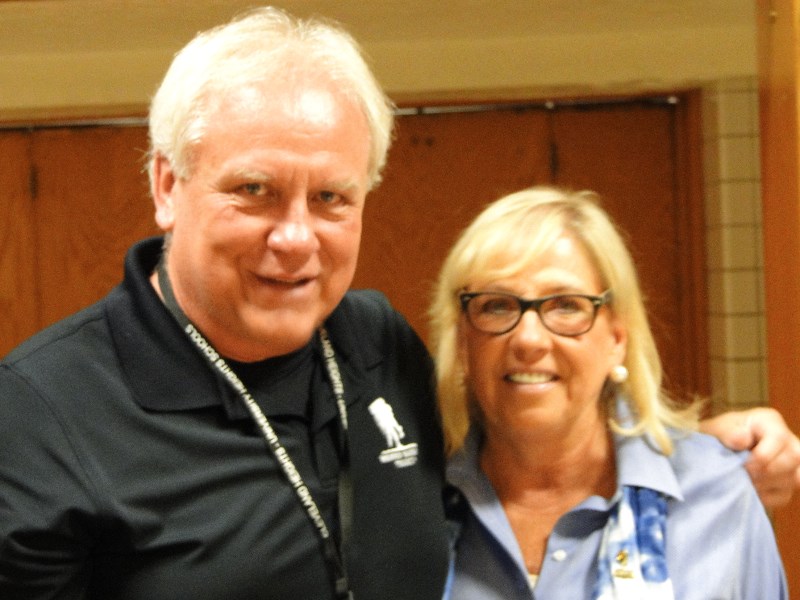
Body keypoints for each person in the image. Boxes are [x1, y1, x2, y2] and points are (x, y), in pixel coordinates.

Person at [0, 7, 796, 600]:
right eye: (255, 190)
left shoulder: (372, 342)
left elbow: (520, 428)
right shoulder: (36, 416)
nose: (295, 237)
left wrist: (697, 454)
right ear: (168, 184)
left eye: (333, 198)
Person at [429, 186, 787, 599]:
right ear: (462, 342)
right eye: (496, 306)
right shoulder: (409, 503)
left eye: (565, 305)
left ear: (617, 337)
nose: (528, 339)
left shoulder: (718, 494)